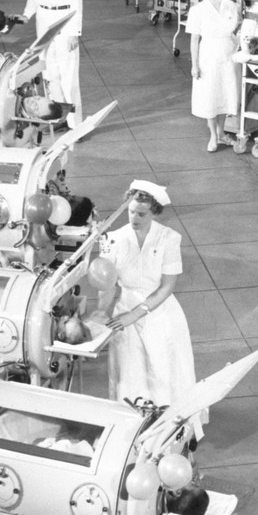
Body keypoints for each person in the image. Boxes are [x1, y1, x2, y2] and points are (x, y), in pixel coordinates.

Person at [100, 182, 202, 439]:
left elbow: (167, 287)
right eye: (131, 211)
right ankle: (132, 431)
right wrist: (101, 313)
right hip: (124, 314)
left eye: (141, 214)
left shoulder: (169, 239)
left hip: (159, 312)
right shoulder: (112, 239)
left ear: (154, 212)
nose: (134, 218)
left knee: (162, 371)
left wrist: (136, 313)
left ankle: (170, 431)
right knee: (130, 372)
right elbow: (107, 285)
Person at [21, 0, 83, 129]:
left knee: (68, 76)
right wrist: (26, 15)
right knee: (49, 74)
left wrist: (75, 32)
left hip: (65, 20)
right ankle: (57, 119)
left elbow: (76, 0)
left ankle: (76, 125)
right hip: (43, 19)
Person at [185, 0, 242, 152]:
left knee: (226, 94)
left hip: (228, 55)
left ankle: (222, 132)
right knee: (210, 96)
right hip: (208, 57)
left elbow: (235, 28)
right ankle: (213, 135)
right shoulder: (197, 11)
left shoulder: (231, 6)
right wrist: (194, 65)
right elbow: (194, 40)